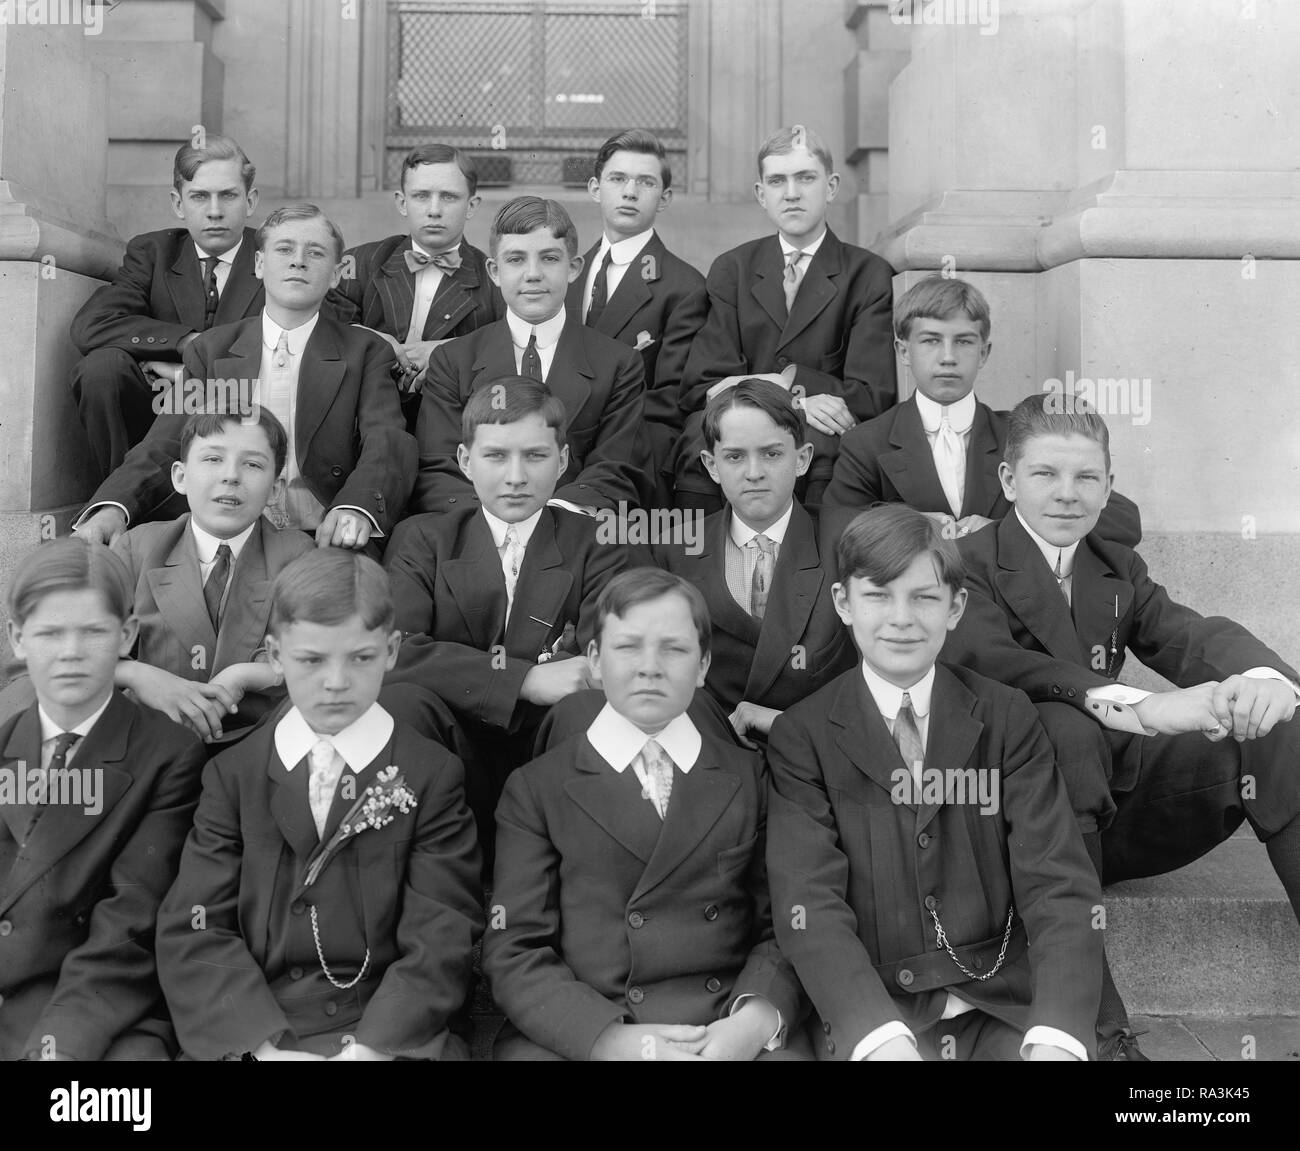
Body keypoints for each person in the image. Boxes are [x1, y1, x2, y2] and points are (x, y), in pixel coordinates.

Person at [943, 393, 1300, 1059]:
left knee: (1276, 731)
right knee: (1064, 727)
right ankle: (1100, 1037)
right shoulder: (968, 564)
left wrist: (1264, 681)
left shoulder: (1113, 563)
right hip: (1018, 829)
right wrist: (1143, 707)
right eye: (1046, 474)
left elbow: (1187, 633)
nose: (1067, 495)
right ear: (1009, 480)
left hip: (1114, 806)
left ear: (1108, 485)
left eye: (1087, 477)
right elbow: (1005, 665)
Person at [766, 505, 1102, 1060]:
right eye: (878, 595)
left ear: (956, 608)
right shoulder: (802, 737)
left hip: (999, 1007)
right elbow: (809, 902)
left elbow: (1058, 883)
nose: (902, 618)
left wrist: (1059, 1036)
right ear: (843, 604)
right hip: (876, 1015)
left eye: (924, 597)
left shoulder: (1006, 716)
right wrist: (876, 1038)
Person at [155, 549, 483, 1060]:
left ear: (392, 651)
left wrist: (370, 1050)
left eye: (361, 657)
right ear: (275, 655)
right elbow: (196, 926)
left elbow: (441, 932)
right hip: (259, 1027)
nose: (336, 682)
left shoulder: (430, 775)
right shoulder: (233, 775)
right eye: (311, 659)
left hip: (384, 1030)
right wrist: (263, 1048)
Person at [483, 568, 805, 1060]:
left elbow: (785, 924)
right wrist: (611, 1040)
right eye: (628, 647)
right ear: (594, 659)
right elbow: (515, 950)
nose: (650, 667)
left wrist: (751, 1021)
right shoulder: (536, 790)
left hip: (724, 1026)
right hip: (596, 1031)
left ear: (702, 667)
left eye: (674, 649)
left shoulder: (751, 778)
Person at [72, 204, 416, 554]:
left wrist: (354, 507)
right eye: (284, 249)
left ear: (336, 273)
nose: (298, 261)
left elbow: (386, 441)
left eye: (315, 252)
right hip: (226, 533)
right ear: (259, 264)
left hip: (326, 534)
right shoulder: (212, 350)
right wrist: (113, 506)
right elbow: (164, 442)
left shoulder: (365, 351)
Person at [381, 379, 626, 858]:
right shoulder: (423, 539)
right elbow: (396, 650)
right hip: (450, 742)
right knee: (399, 701)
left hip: (550, 746)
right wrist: (527, 679)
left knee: (591, 708)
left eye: (535, 456)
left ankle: (568, 876)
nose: (515, 476)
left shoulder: (599, 542)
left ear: (563, 461)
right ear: (465, 461)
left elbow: (601, 662)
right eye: (496, 456)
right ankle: (431, 872)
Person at [0, 538, 205, 1060]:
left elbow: (130, 925)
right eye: (49, 634)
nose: (70, 653)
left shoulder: (167, 756)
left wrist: (57, 1047)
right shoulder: (5, 745)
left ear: (126, 636)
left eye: (93, 632)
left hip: (92, 1010)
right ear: (17, 639)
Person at [820, 275, 1142, 555]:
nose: (948, 357)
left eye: (963, 342)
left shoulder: (1020, 434)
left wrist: (1011, 530)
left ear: (984, 353)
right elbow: (835, 528)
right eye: (931, 340)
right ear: (904, 351)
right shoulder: (866, 442)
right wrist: (915, 525)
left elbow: (1125, 523)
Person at [673, 125, 896, 512]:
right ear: (761, 194)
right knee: (699, 438)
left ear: (830, 186)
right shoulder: (734, 268)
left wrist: (783, 394)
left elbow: (872, 394)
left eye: (805, 178)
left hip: (818, 447)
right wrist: (791, 393)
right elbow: (702, 385)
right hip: (742, 426)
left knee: (829, 446)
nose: (791, 194)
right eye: (777, 181)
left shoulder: (867, 273)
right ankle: (702, 565)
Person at [411, 196, 648, 514]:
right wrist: (498, 526)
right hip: (475, 535)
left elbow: (615, 467)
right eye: (516, 259)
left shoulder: (619, 365)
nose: (533, 274)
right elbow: (441, 471)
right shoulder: (453, 362)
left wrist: (549, 522)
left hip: (575, 534)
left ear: (574, 268)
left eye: (549, 259)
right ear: (494, 271)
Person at [655, 379, 855, 744]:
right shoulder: (673, 550)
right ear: (711, 466)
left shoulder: (847, 540)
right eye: (734, 456)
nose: (754, 472)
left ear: (803, 459)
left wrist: (787, 727)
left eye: (772, 454)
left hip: (821, 755)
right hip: (712, 757)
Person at [109, 409, 313, 745]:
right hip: (150, 740)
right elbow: (79, 645)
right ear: (180, 476)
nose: (231, 476)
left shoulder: (300, 556)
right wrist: (136, 674)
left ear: (276, 489)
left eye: (253, 464)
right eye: (213, 459)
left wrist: (246, 675)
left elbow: (318, 654)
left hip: (261, 743)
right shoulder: (137, 548)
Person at [70, 135, 264, 479]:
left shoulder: (273, 253)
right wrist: (184, 341)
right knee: (102, 367)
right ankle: (120, 494)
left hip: (246, 408)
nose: (215, 211)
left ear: (250, 201)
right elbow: (92, 325)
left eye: (228, 195)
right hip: (159, 408)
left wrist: (186, 370)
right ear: (178, 204)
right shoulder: (154, 252)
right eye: (199, 196)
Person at [566, 129, 708, 506]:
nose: (630, 192)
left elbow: (670, 400)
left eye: (645, 183)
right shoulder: (564, 272)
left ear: (664, 199)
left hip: (629, 458)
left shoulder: (684, 286)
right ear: (596, 188)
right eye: (618, 179)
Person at [327, 144, 503, 427]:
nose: (434, 210)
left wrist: (448, 352)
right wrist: (372, 342)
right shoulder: (360, 264)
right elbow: (321, 332)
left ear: (471, 206)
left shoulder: (495, 279)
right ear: (401, 202)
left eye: (449, 197)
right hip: (360, 423)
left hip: (451, 426)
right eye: (421, 196)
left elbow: (513, 345)